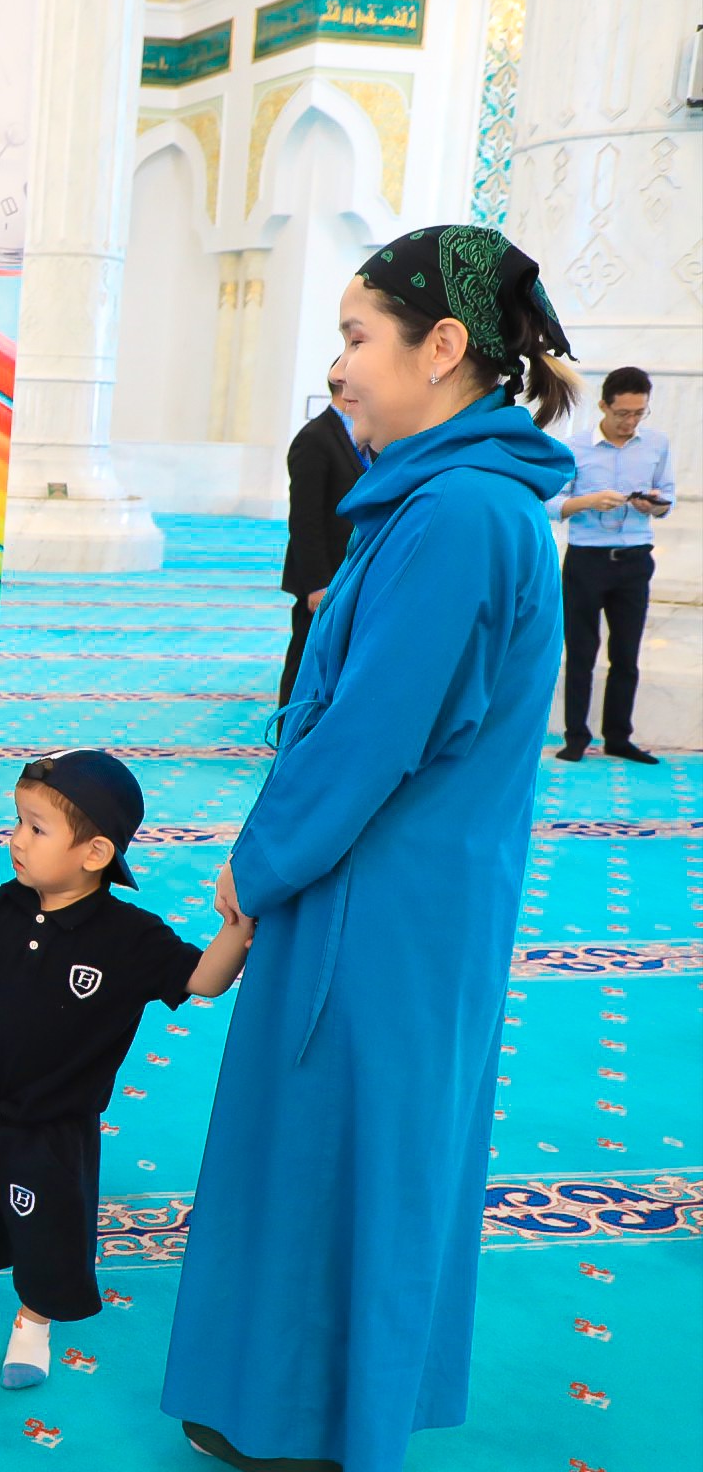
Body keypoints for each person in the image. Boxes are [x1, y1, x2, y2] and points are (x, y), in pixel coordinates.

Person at [163, 225, 581, 1472]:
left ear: (442, 346)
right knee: (335, 1141)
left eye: (356, 337)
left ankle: (312, 1419)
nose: (339, 367)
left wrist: (255, 867)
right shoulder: (445, 499)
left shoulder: (457, 513)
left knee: (348, 1144)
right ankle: (287, 1400)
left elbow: (368, 736)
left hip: (385, 899)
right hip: (389, 887)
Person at [0, 751, 249, 1389]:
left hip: (55, 1126)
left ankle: (33, 1324)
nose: (16, 839)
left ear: (94, 853)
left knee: (48, 1231)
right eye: (18, 821)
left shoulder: (130, 936)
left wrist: (237, 926)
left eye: (36, 828)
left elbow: (204, 981)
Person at [548, 364, 675, 763]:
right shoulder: (574, 447)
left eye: (639, 413)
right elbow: (551, 503)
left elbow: (668, 498)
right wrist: (590, 500)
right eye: (623, 413)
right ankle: (575, 738)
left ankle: (619, 738)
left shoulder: (657, 444)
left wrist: (653, 505)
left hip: (635, 560)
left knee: (626, 654)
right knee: (580, 652)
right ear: (603, 406)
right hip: (586, 561)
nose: (630, 422)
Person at [278, 361, 370, 706]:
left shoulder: (363, 435)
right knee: (305, 659)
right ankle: (289, 728)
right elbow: (305, 520)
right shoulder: (315, 439)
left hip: (347, 573)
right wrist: (317, 583)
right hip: (322, 580)